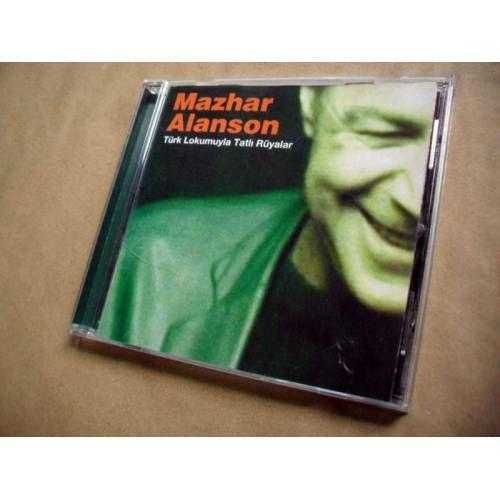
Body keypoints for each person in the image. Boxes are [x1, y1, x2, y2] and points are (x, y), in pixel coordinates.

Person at [97, 82, 437, 401]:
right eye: (381, 133)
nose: (414, 204)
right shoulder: (144, 263)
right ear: (311, 104)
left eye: (441, 158)